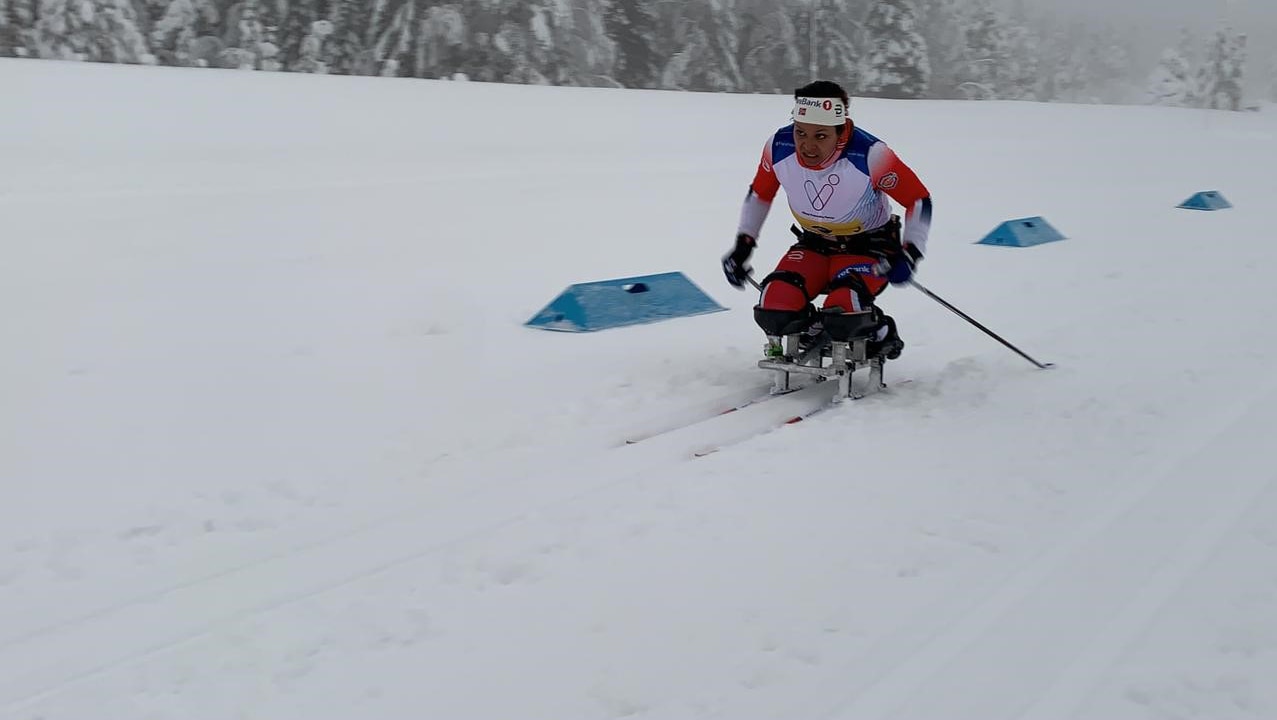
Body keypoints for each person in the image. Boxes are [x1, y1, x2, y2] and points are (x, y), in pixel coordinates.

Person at [721, 80, 933, 360]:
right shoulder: (779, 146)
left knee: (843, 311)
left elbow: (918, 200)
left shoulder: (871, 154)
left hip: (868, 248)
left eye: (820, 136)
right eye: (800, 133)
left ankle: (878, 330)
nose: (807, 145)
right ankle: (818, 327)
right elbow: (760, 194)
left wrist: (910, 253)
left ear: (839, 131)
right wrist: (743, 244)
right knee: (772, 307)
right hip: (814, 245)